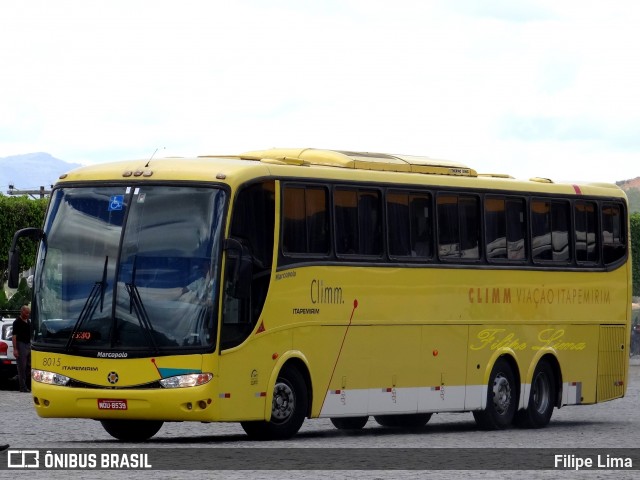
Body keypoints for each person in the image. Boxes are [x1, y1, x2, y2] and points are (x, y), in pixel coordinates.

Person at [12, 305, 32, 393]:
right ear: (22, 312)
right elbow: (14, 336)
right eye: (26, 313)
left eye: (29, 313)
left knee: (29, 365)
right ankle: (22, 387)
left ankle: (25, 383)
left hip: (29, 344)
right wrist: (15, 349)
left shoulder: (28, 322)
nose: (28, 314)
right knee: (21, 367)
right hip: (21, 345)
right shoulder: (17, 322)